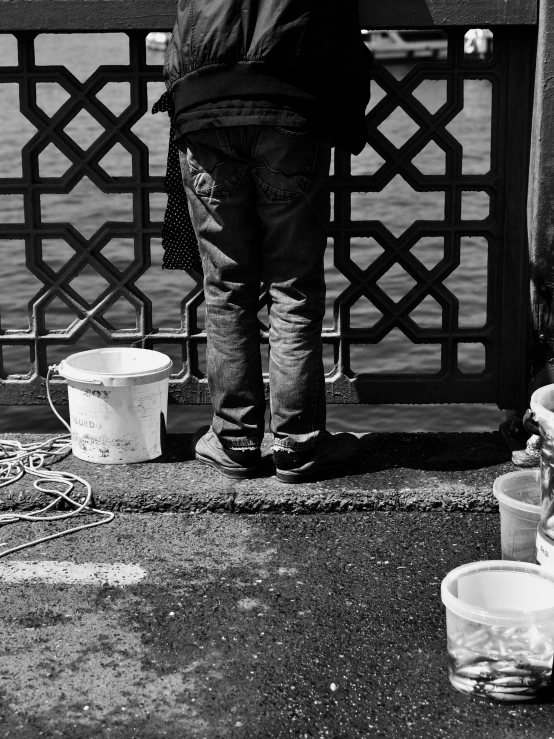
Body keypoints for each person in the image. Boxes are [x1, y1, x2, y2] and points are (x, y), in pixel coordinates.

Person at [163, 0, 373, 483]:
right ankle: (298, 446)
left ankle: (234, 440)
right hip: (289, 108)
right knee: (293, 290)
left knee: (226, 289)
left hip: (204, 110)